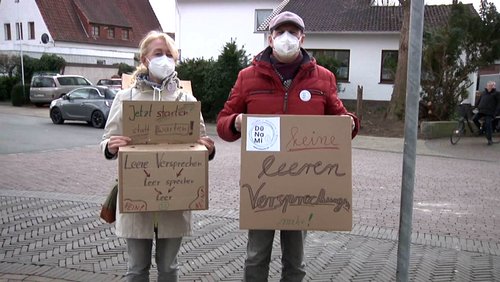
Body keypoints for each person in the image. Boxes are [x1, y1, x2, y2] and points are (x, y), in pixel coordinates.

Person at [216, 11, 359, 281]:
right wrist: (235, 122)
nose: (286, 38)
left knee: (296, 262)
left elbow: (340, 118)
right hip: (262, 185)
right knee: (256, 257)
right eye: (280, 32)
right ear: (270, 39)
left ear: (302, 38)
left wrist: (350, 123)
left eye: (293, 33)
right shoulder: (247, 77)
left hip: (302, 187)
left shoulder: (323, 78)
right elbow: (223, 121)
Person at [99, 30, 215, 281]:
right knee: (136, 268)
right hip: (136, 198)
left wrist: (208, 148)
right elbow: (106, 140)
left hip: (175, 199)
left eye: (169, 54)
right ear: (145, 58)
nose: (165, 58)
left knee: (169, 268)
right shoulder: (125, 97)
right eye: (158, 53)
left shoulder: (186, 99)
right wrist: (109, 146)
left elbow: (201, 143)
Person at [473, 81, 500, 145]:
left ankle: (489, 139)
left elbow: (499, 104)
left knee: (488, 124)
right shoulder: (483, 93)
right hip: (482, 111)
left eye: (492, 85)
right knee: (474, 119)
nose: (490, 86)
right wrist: (475, 107)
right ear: (487, 86)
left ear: (494, 86)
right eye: (489, 85)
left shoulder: (497, 93)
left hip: (490, 112)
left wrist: (496, 113)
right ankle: (481, 129)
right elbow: (479, 101)